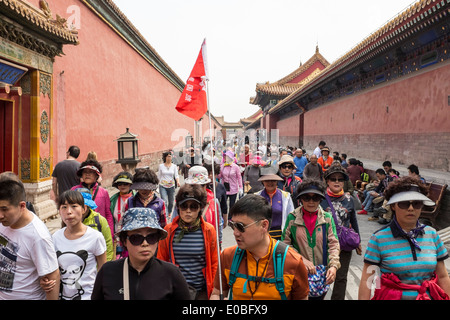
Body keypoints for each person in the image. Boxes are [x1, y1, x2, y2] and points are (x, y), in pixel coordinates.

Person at [359, 176, 450, 300]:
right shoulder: (379, 239)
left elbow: (443, 276)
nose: (411, 208)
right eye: (404, 203)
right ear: (393, 206)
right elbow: (367, 280)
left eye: (416, 203)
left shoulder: (432, 234)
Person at [210, 194, 309, 300]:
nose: (235, 233)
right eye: (232, 225)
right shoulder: (228, 256)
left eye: (240, 226)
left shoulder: (292, 262)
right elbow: (216, 293)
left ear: (264, 225)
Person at [92, 207, 192, 300]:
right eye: (136, 238)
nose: (145, 243)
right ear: (124, 241)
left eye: (151, 237)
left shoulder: (171, 274)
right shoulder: (108, 271)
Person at [0, 180, 59, 300]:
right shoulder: (4, 222)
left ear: (22, 206)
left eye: (4, 209)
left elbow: (53, 276)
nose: (0, 215)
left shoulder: (38, 236)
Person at [158, 184, 219, 300]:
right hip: (176, 291)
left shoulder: (209, 230)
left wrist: (215, 292)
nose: (188, 211)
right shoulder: (169, 231)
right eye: (184, 206)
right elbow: (162, 260)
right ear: (178, 208)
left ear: (200, 208)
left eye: (193, 207)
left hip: (201, 291)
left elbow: (214, 263)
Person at [282, 178, 340, 300]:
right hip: (298, 273)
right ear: (300, 199)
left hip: (321, 275)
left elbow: (333, 244)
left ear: (320, 199)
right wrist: (301, 259)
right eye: (307, 197)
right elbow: (285, 245)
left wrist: (333, 266)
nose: (311, 202)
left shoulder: (327, 218)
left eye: (316, 198)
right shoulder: (292, 218)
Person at [50, 191, 107, 300]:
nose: (69, 212)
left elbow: (103, 270)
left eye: (74, 206)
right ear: (59, 212)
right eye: (64, 207)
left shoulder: (95, 237)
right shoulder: (55, 238)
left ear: (84, 209)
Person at [320, 163, 362, 300]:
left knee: (341, 277)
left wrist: (358, 241)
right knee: (322, 276)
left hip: (343, 245)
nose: (337, 182)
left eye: (340, 179)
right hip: (324, 245)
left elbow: (353, 220)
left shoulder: (350, 199)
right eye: (333, 179)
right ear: (327, 181)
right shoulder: (320, 199)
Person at [71, 159, 113, 238]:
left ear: (97, 175)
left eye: (91, 172)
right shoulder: (74, 190)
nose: (87, 174)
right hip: (78, 230)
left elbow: (108, 214)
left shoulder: (103, 192)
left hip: (98, 229)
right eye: (85, 172)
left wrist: (110, 234)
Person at [255, 170, 294, 240]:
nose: (270, 183)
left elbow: (291, 216)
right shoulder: (256, 196)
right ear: (263, 182)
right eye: (267, 180)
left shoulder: (285, 196)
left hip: (281, 235)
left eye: (273, 180)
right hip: (262, 235)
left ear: (277, 181)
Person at [158, 151, 180, 219]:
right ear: (165, 157)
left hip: (171, 186)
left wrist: (178, 182)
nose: (170, 157)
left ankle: (169, 212)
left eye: (170, 156)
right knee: (164, 201)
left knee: (171, 202)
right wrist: (156, 184)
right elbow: (159, 176)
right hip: (162, 186)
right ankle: (166, 216)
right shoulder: (161, 166)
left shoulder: (174, 166)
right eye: (168, 156)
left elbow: (176, 175)